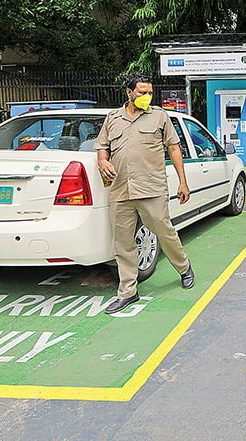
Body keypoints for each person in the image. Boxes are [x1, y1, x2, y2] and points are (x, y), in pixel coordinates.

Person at [95, 73, 195, 315]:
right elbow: (102, 148)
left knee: (164, 230)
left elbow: (174, 148)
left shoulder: (159, 116)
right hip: (120, 189)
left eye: (149, 93)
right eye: (142, 92)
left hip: (151, 187)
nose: (146, 97)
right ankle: (128, 291)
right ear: (129, 93)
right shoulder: (113, 119)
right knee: (123, 242)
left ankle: (184, 267)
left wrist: (183, 182)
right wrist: (102, 162)